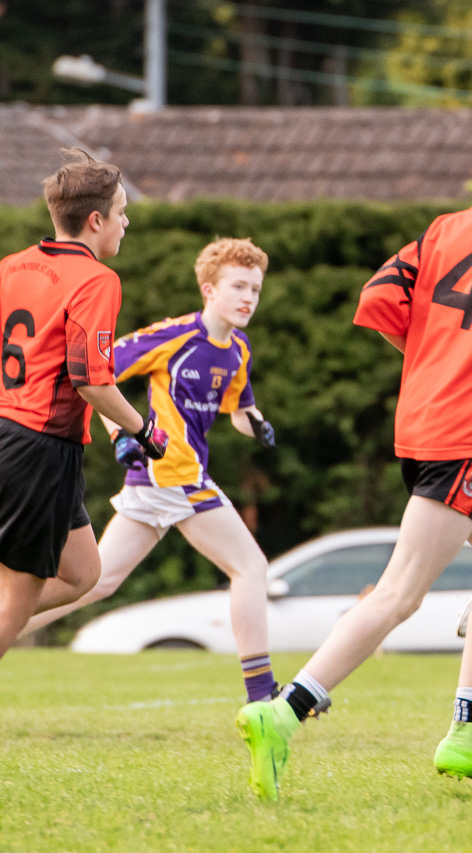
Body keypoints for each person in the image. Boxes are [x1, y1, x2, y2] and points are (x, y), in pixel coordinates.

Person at [234, 109, 472, 801]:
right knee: (401, 591)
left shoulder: (444, 228)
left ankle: (468, 732)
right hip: (467, 434)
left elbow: (377, 299)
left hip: (429, 421)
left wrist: (438, 358)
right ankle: (283, 710)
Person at [21, 238, 278, 702]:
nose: (247, 298)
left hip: (160, 481)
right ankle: (262, 696)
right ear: (208, 289)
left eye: (255, 290)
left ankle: (5, 618)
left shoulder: (238, 349)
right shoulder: (176, 335)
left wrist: (257, 426)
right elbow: (97, 371)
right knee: (251, 567)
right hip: (172, 472)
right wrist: (121, 432)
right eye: (238, 286)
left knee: (97, 583)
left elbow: (241, 409)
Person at [0, 149, 167, 660]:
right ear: (96, 221)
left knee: (82, 573)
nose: (127, 222)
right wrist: (143, 429)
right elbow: (90, 380)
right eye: (121, 212)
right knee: (19, 592)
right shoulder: (97, 280)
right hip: (38, 448)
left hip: (14, 434)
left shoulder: (12, 265)